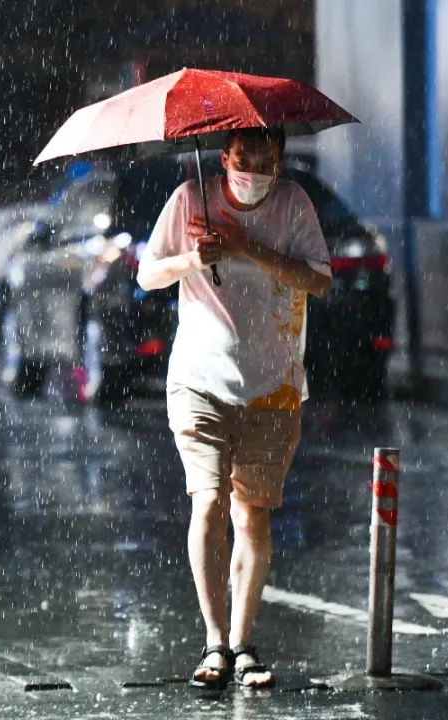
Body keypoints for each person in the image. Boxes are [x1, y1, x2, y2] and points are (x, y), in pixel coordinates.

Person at [136, 127, 331, 690]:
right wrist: (192, 257)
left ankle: (245, 645)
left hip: (274, 385)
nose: (254, 172)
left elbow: (318, 281)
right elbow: (149, 274)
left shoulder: (294, 204)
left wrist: (246, 247)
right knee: (210, 501)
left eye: (266, 161)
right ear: (224, 158)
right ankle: (215, 642)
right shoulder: (189, 199)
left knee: (253, 515)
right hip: (198, 380)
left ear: (280, 161)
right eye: (244, 160)